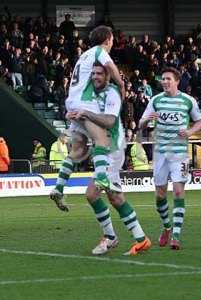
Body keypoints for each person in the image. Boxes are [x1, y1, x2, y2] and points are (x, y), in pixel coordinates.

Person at [77, 63, 150, 256]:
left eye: (99, 73)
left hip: (113, 150)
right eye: (93, 73)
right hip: (102, 150)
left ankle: (110, 237)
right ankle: (141, 239)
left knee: (92, 193)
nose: (95, 77)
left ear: (108, 76)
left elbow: (109, 121)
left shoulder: (112, 93)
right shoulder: (91, 92)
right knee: (116, 198)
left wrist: (86, 114)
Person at [50, 25, 125, 205]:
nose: (112, 42)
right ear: (108, 39)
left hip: (72, 101)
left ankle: (58, 188)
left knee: (78, 150)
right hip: (84, 102)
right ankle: (101, 178)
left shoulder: (84, 55)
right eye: (112, 39)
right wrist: (121, 84)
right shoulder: (99, 51)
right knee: (101, 140)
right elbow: (111, 67)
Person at [139, 67, 201, 250]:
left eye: (168, 79)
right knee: (160, 194)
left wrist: (190, 131)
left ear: (176, 81)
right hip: (160, 153)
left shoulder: (188, 101)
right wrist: (147, 119)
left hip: (179, 154)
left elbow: (200, 122)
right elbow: (140, 124)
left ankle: (176, 235)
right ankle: (167, 226)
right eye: (163, 79)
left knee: (177, 191)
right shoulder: (156, 100)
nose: (165, 82)